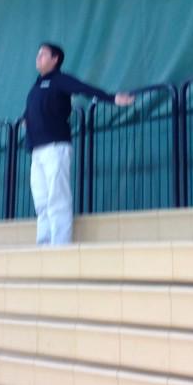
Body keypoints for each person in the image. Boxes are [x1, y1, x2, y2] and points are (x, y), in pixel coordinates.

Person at [24, 42, 134, 245]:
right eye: (37, 54)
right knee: (41, 201)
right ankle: (43, 244)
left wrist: (112, 98)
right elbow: (31, 110)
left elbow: (84, 88)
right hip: (37, 151)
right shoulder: (36, 85)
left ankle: (60, 245)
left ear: (55, 59)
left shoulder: (60, 80)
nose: (38, 57)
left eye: (43, 54)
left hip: (56, 147)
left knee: (57, 198)